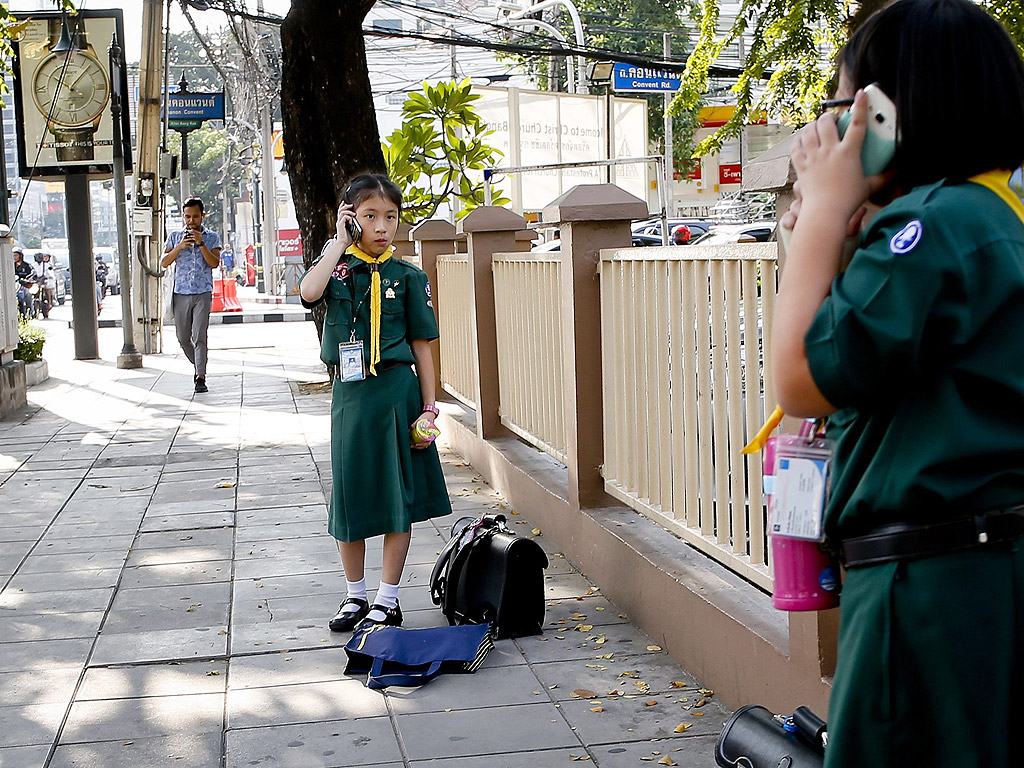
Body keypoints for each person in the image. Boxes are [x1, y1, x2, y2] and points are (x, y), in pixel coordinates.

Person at [772, 2, 1024, 767]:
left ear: (886, 114)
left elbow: (801, 378)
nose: (835, 129)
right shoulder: (990, 213)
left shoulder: (932, 226)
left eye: (844, 108)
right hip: (980, 573)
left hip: (927, 587)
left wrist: (819, 213)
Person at [298, 173, 452, 631]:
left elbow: (422, 344)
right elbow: (308, 292)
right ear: (351, 218)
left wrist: (429, 406)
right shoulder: (337, 268)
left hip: (396, 393)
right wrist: (336, 244)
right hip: (352, 397)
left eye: (391, 217)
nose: (382, 226)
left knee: (395, 496)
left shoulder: (409, 276)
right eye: (370, 216)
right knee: (350, 495)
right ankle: (354, 595)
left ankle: (388, 597)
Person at [161, 197, 222, 394]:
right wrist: (180, 246)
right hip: (181, 293)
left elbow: (214, 263)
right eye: (187, 217)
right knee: (183, 337)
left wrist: (201, 244)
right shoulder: (174, 237)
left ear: (202, 216)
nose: (191, 220)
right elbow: (164, 262)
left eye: (195, 216)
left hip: (202, 292)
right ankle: (198, 366)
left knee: (199, 335)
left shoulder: (212, 237)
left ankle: (201, 377)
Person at [13, 247, 33, 317]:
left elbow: (32, 273)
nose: (14, 257)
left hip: (25, 285)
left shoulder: (27, 266)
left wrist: (30, 278)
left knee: (28, 295)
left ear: (20, 255)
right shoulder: (12, 266)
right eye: (13, 255)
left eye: (16, 255)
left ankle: (29, 311)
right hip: (15, 286)